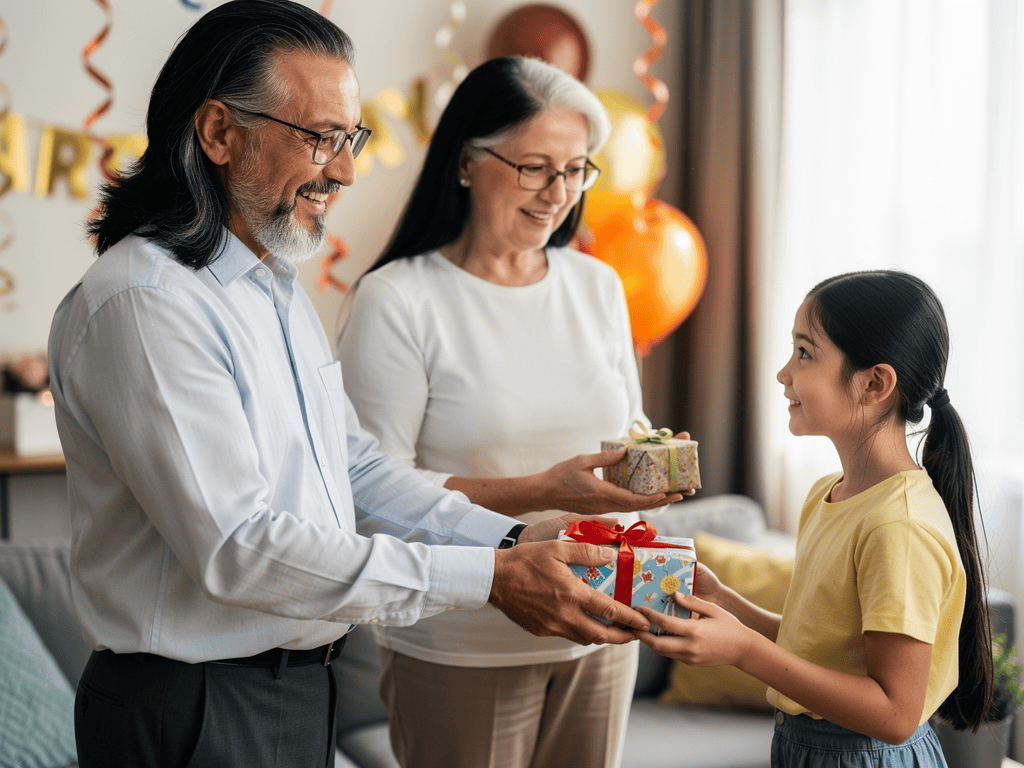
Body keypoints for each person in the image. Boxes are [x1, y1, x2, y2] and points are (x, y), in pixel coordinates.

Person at [47, 4, 654, 767]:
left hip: (298, 689)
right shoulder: (145, 303)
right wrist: (490, 577)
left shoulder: (273, 286)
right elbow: (241, 549)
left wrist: (512, 538)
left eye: (352, 137)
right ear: (218, 133)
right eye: (321, 138)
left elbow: (358, 470)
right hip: (194, 703)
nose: (346, 169)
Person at [336, 56, 691, 768]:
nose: (558, 193)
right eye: (535, 167)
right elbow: (368, 494)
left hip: (601, 629)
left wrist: (649, 468)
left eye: (576, 170)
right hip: (462, 642)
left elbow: (626, 431)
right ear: (466, 162)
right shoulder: (398, 300)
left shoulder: (596, 286)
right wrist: (546, 490)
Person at [632, 270, 993, 767]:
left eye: (804, 353)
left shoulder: (897, 527)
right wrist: (728, 604)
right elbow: (822, 649)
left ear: (874, 383)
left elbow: (895, 714)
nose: (783, 373)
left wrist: (744, 653)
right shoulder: (830, 495)